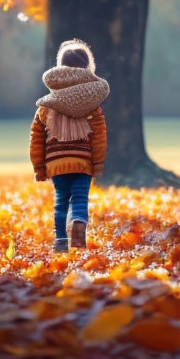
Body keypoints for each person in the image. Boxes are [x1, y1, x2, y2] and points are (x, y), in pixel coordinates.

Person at [29, 39, 109, 253]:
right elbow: (99, 135)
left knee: (61, 201)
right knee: (80, 198)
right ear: (86, 67)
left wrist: (39, 166)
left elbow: (36, 138)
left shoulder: (46, 106)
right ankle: (79, 223)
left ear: (60, 67)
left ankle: (61, 242)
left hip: (56, 162)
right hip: (83, 161)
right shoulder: (92, 104)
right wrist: (98, 162)